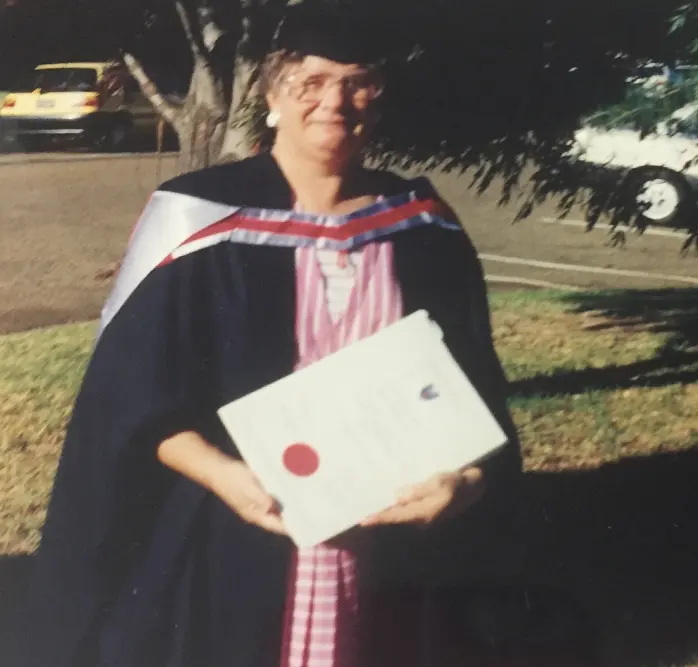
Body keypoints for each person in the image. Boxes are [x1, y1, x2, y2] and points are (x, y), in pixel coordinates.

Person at [18, 5, 522, 667]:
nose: (334, 102)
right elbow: (128, 394)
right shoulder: (198, 219)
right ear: (271, 95)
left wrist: (469, 479)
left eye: (358, 83)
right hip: (231, 533)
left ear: (379, 99)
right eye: (309, 82)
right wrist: (224, 474)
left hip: (390, 549)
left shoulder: (422, 224)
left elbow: (475, 390)